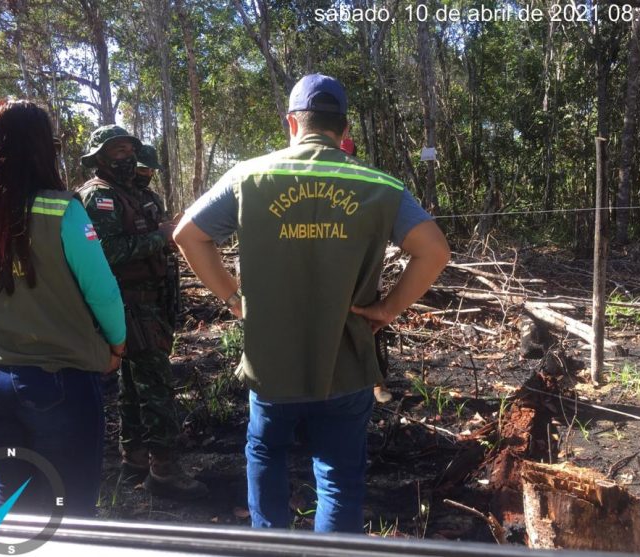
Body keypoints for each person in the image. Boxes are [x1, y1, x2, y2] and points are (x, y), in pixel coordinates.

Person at [174, 73, 450, 532]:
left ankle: (270, 544)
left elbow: (187, 235)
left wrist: (233, 299)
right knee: (339, 476)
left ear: (291, 123)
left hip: (271, 361)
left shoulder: (251, 176)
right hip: (347, 361)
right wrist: (386, 310)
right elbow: (435, 251)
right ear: (344, 130)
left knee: (266, 452)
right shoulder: (379, 185)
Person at [0, 100, 126, 516]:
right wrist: (116, 347)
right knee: (73, 505)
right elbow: (102, 292)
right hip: (59, 382)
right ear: (38, 149)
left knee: (12, 496)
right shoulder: (62, 210)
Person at [77, 127, 207, 499]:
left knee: (135, 387)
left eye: (129, 149)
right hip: (125, 304)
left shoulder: (135, 194)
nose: (126, 157)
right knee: (156, 387)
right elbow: (105, 252)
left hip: (149, 302)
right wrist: (162, 236)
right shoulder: (98, 197)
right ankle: (163, 469)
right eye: (117, 150)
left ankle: (134, 459)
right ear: (100, 156)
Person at [338, 137, 393, 405]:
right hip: (332, 279)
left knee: (370, 330)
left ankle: (377, 383)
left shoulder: (367, 188)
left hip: (365, 281)